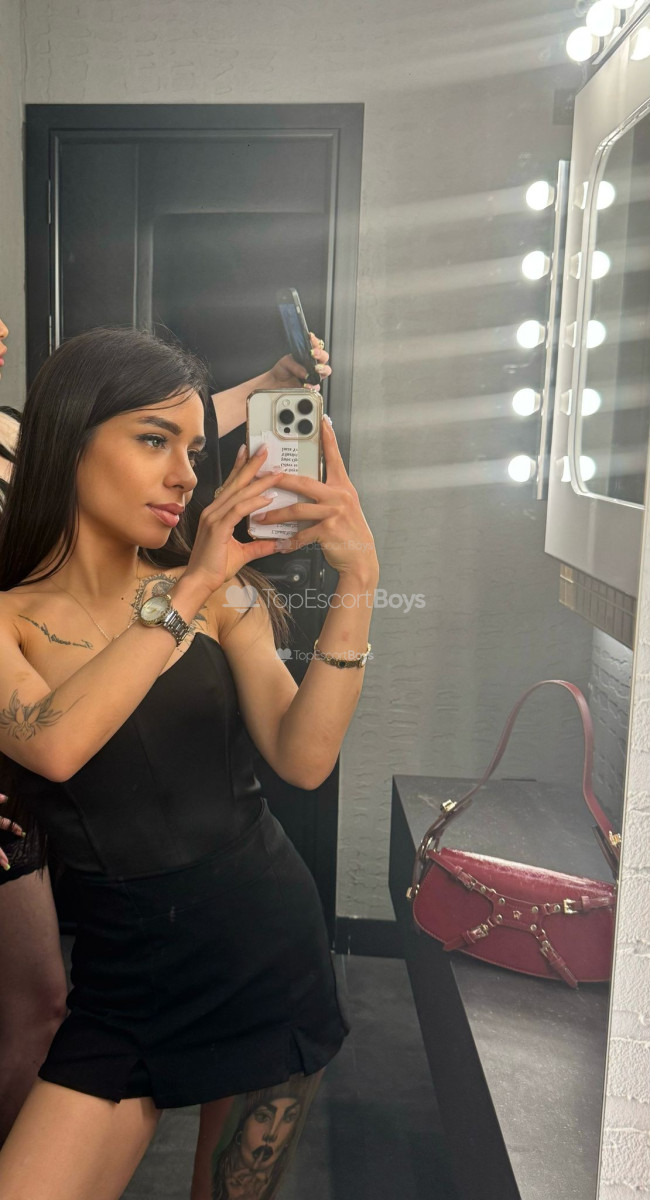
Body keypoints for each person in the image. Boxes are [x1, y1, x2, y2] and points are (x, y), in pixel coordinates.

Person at [0, 324, 377, 1200]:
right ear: (69, 437)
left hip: (265, 953)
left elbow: (304, 758)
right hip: (122, 989)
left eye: (195, 451)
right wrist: (191, 584)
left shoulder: (221, 598)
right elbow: (55, 743)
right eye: (153, 440)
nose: (183, 476)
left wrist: (358, 581)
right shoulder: (12, 618)